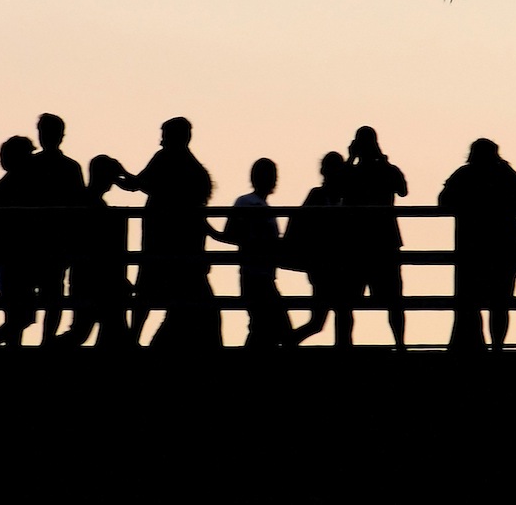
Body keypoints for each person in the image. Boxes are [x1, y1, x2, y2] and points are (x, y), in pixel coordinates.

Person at [119, 116, 220, 350]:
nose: (161, 140)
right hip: (184, 244)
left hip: (160, 239)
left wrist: (117, 172)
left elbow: (137, 184)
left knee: (145, 294)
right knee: (178, 297)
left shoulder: (165, 159)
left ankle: (133, 339)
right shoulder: (193, 168)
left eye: (165, 135)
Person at [439, 139, 516, 351]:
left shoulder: (464, 174)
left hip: (472, 243)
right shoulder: (506, 175)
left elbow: (443, 201)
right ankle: (497, 345)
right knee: (501, 298)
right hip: (505, 241)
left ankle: (473, 343)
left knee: (470, 297)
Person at [341, 126, 410, 349]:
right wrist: (383, 160)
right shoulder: (386, 170)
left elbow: (337, 187)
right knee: (393, 300)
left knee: (347, 299)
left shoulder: (353, 172)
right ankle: (400, 344)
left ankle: (345, 345)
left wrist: (350, 159)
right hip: (383, 240)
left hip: (356, 242)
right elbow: (403, 189)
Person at [60, 155, 134, 348]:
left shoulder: (83, 200)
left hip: (85, 277)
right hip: (96, 279)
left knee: (83, 330)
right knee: (86, 330)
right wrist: (123, 174)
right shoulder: (95, 206)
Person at [24, 114, 84, 346]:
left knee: (30, 295)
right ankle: (47, 342)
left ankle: (26, 344)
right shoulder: (70, 168)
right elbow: (78, 208)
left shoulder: (29, 166)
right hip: (58, 240)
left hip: (36, 239)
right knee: (54, 294)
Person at [221, 158, 291, 347]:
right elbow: (231, 233)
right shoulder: (247, 203)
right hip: (255, 276)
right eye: (270, 176)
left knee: (263, 327)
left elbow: (228, 234)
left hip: (261, 275)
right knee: (274, 328)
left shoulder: (258, 206)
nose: (273, 180)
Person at [287, 152, 353, 346]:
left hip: (334, 265)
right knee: (324, 319)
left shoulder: (341, 197)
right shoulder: (321, 196)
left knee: (335, 315)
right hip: (323, 265)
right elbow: (299, 223)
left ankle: (288, 343)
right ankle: (287, 343)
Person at [0, 135, 39, 346]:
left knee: (16, 315)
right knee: (21, 316)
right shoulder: (23, 188)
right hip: (15, 256)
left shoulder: (1, 188)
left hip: (4, 255)